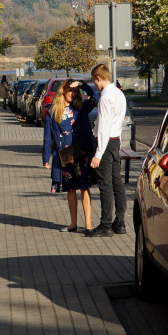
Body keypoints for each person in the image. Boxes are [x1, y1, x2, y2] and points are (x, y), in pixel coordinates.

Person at [42, 79, 97, 233]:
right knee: (70, 189)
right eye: (69, 90)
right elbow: (48, 137)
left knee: (84, 188)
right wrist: (46, 158)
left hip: (81, 153)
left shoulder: (81, 108)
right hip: (65, 156)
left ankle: (88, 223)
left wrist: (81, 85)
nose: (72, 94)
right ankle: (73, 223)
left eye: (74, 91)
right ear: (63, 92)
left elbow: (95, 97)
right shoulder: (53, 111)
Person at [87, 63, 128, 237]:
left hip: (105, 143)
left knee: (105, 185)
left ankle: (105, 225)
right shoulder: (119, 93)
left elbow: (103, 127)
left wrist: (98, 154)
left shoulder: (105, 98)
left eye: (94, 81)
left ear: (98, 78)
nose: (95, 85)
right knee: (117, 182)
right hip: (115, 141)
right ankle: (120, 223)